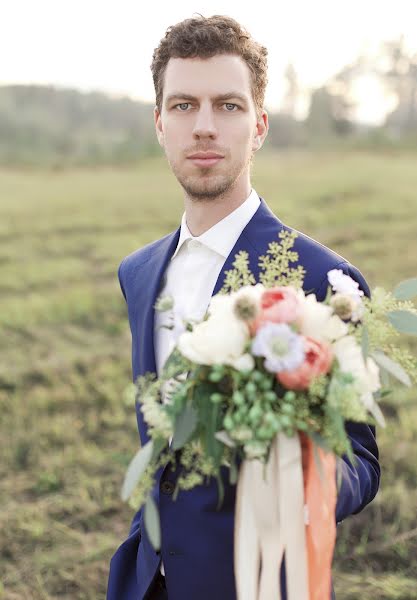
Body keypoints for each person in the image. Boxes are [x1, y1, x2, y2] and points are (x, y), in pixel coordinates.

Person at [106, 14, 380, 600]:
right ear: (159, 123)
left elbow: (361, 459)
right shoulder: (138, 272)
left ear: (258, 125)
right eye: (182, 106)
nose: (203, 127)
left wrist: (307, 478)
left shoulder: (322, 279)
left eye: (227, 106)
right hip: (148, 579)